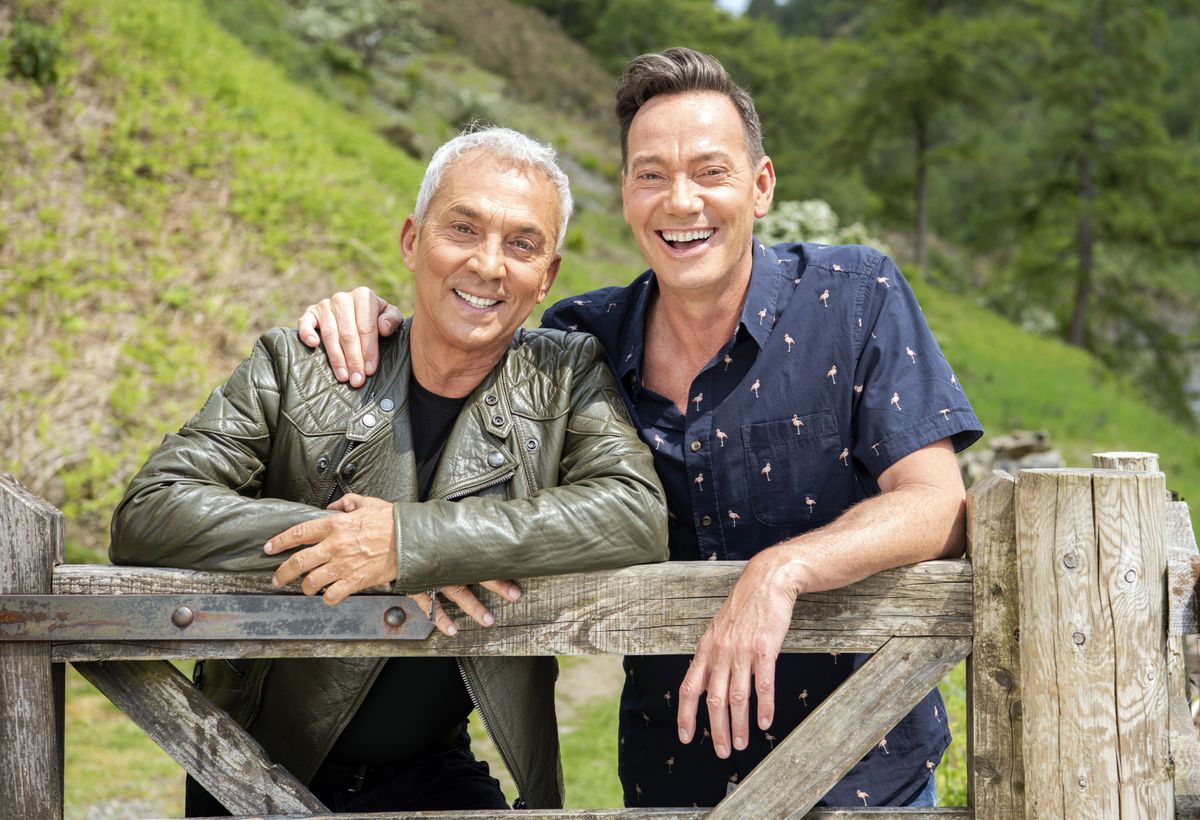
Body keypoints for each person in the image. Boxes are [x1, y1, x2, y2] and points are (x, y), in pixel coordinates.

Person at [297, 48, 983, 808]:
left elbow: (935, 504)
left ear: (760, 187)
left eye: (710, 172)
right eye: (651, 174)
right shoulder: (577, 344)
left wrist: (780, 571)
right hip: (670, 779)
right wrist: (371, 320)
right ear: (625, 194)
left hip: (864, 772)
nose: (680, 202)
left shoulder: (857, 296)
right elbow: (452, 386)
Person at [109, 126, 669, 815]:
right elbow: (151, 510)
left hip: (438, 769)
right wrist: (346, 545)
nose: (489, 264)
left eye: (521, 244)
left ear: (547, 275)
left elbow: (634, 514)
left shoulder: (567, 375)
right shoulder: (299, 363)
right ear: (412, 240)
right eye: (462, 228)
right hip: (252, 765)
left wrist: (412, 543)